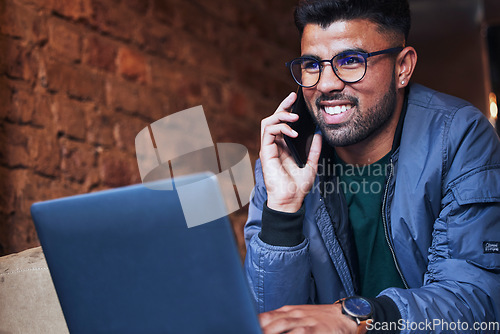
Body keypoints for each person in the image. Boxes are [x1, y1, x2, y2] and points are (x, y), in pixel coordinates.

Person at [244, 0, 500, 333]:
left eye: (350, 61)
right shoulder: (288, 155)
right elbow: (271, 320)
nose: (324, 85)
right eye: (311, 65)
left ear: (402, 67)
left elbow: (476, 302)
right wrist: (282, 211)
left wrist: (357, 317)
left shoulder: (459, 136)